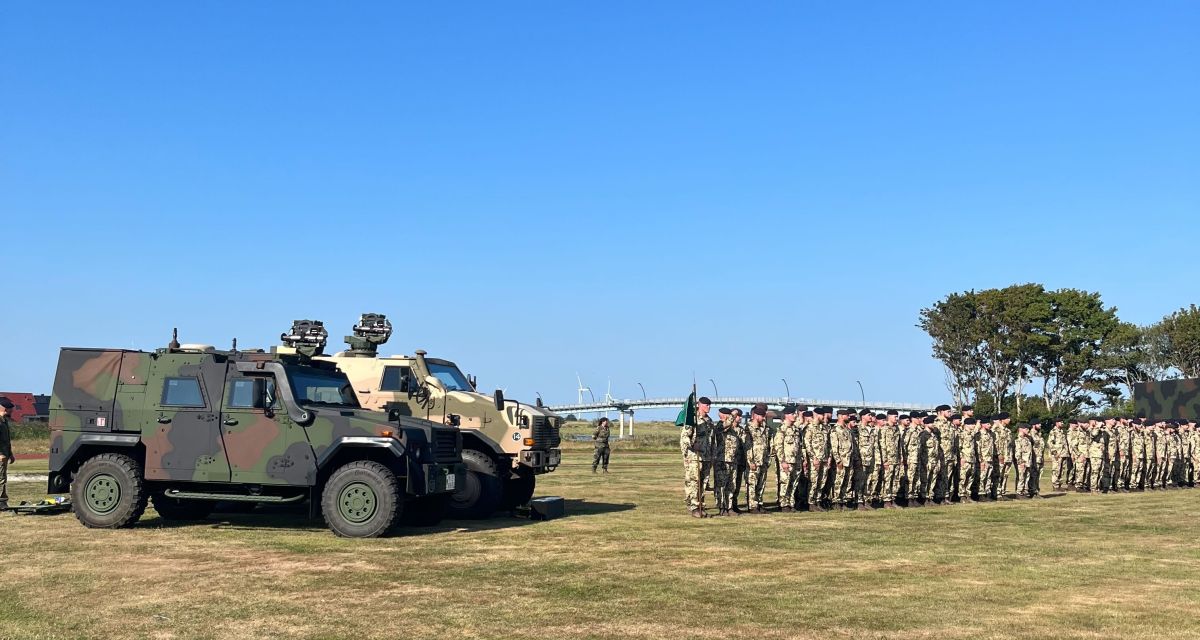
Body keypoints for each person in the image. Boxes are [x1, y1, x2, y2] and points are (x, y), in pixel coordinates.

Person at [680, 396, 715, 517]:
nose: (709, 407)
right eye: (706, 405)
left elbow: (711, 439)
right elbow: (684, 437)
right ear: (700, 405)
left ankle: (700, 505)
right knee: (694, 481)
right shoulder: (693, 420)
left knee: (703, 482)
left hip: (706, 456)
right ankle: (694, 506)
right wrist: (692, 445)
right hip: (694, 456)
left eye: (710, 405)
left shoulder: (709, 421)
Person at [744, 406, 772, 513]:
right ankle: (752, 506)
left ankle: (759, 503)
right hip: (754, 461)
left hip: (763, 461)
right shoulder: (749, 428)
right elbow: (747, 446)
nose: (764, 418)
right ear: (755, 416)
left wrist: (768, 459)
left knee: (761, 484)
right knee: (752, 484)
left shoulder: (765, 428)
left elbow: (767, 445)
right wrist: (750, 461)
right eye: (762, 416)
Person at [0, 397, 13, 509]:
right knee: (1, 479)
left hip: (5, 455)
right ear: (4, 409)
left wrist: (11, 454)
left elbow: (7, 440)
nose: (12, 412)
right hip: (0, 456)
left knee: (3, 478)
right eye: (10, 409)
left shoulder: (4, 421)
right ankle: (1, 502)